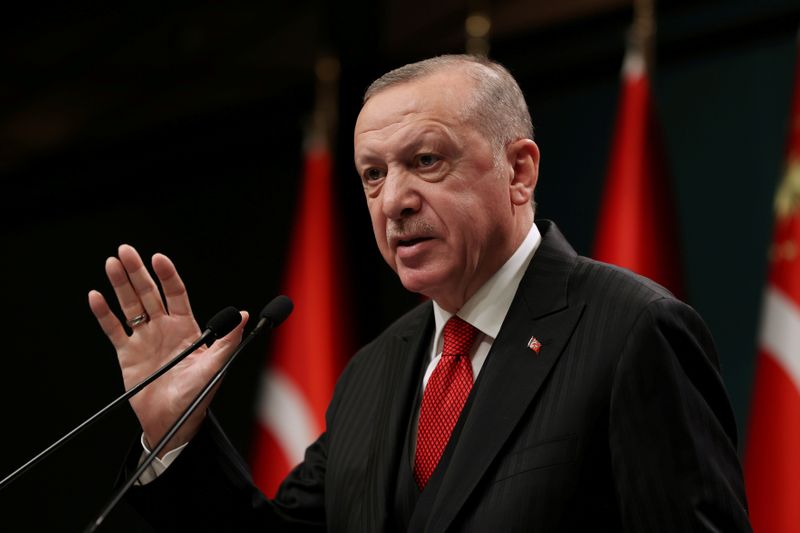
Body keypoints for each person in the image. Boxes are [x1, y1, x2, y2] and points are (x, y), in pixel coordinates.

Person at [89, 55, 752, 531]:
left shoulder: (632, 331)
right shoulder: (372, 373)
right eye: (373, 175)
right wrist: (173, 430)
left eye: (426, 161)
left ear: (519, 169)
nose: (394, 201)